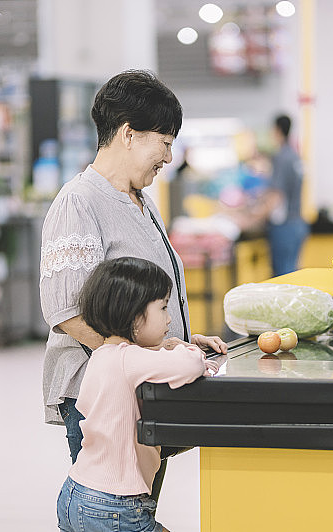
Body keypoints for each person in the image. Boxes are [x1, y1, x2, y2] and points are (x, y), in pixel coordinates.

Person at [39, 70, 227, 468]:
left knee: (139, 506)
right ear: (128, 133)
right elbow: (69, 313)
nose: (169, 157)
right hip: (101, 396)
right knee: (115, 514)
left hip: (139, 388)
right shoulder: (80, 202)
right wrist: (156, 353)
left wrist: (178, 340)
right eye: (164, 143)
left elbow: (141, 300)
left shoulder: (140, 200)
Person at [56, 256, 220, 532]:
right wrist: (184, 347)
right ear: (133, 315)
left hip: (74, 493)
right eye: (163, 308)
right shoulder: (130, 360)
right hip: (115, 505)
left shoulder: (100, 356)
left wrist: (158, 349)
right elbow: (190, 365)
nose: (170, 318)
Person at [264, 114, 308, 276]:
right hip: (298, 223)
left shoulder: (281, 157)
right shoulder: (295, 156)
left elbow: (276, 194)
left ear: (277, 130)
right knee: (292, 273)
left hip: (284, 226)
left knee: (283, 278)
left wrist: (256, 216)